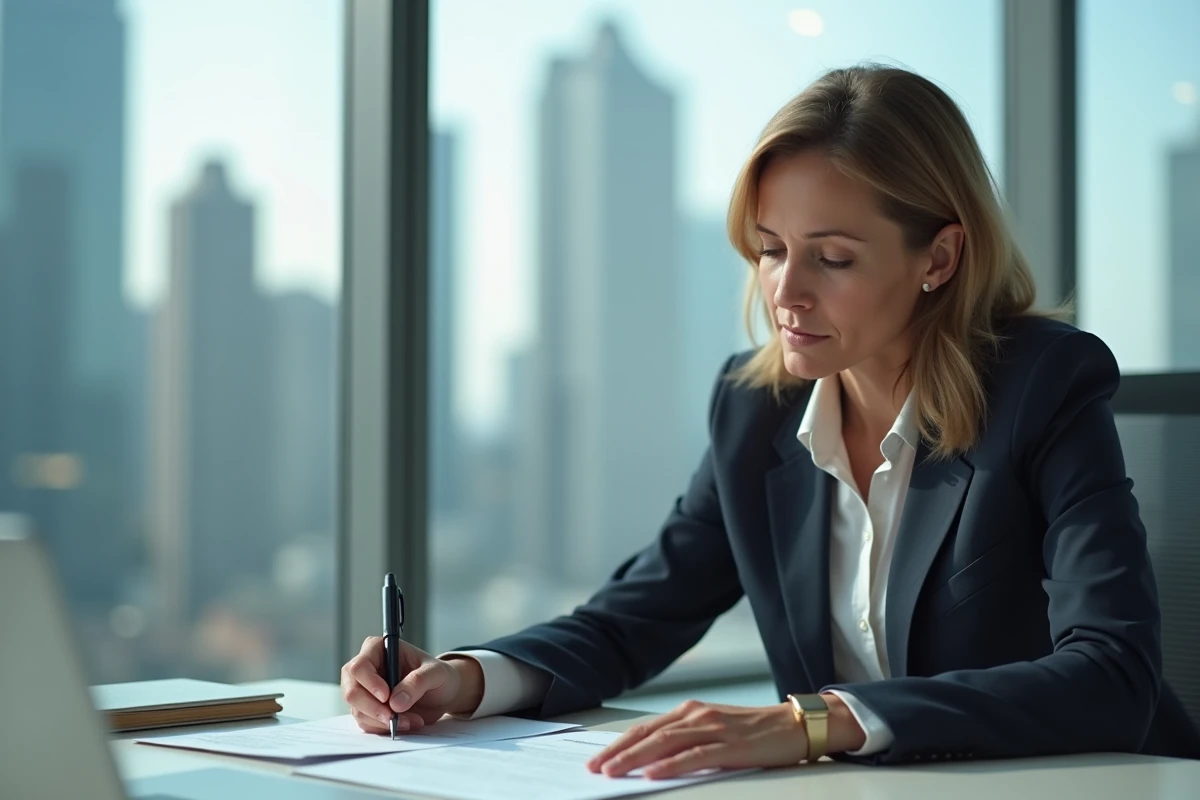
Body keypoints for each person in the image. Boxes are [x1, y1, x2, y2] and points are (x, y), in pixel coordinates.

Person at [341, 63, 1200, 777]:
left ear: (938, 257)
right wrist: (458, 678)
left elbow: (1110, 674)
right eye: (771, 248)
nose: (785, 292)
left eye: (832, 257)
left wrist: (814, 723)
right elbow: (635, 618)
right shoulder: (755, 409)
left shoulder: (1044, 386)